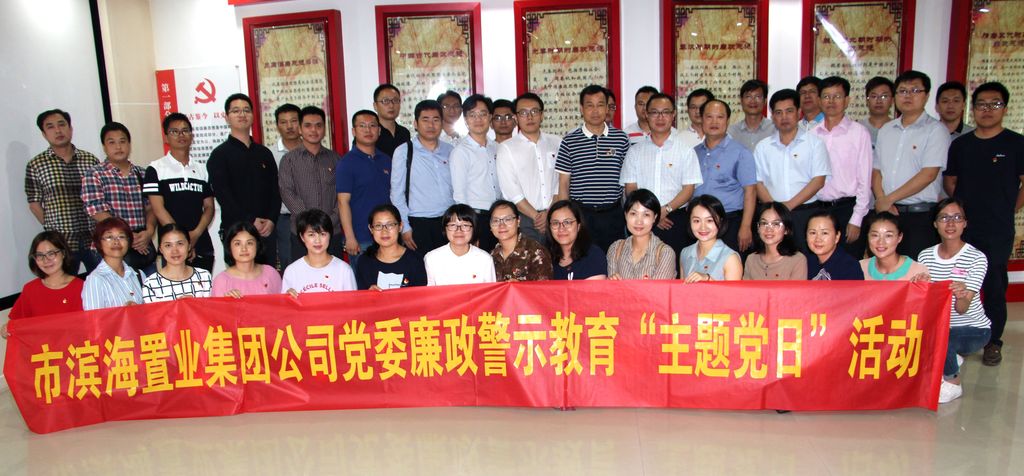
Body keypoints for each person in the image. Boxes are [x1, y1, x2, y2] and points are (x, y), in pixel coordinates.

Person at [944, 81, 1024, 366]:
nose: (987, 110)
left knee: (993, 285)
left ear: (1005, 108)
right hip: (963, 229)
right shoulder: (961, 145)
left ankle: (993, 341)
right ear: (973, 108)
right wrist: (960, 216)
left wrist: (1008, 209)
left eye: (995, 104)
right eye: (981, 104)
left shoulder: (1016, 143)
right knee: (957, 281)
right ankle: (961, 335)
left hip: (997, 228)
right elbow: (950, 181)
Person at [914, 197, 991, 403]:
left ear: (965, 223)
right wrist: (919, 285)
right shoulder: (925, 256)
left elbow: (962, 309)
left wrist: (961, 293)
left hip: (973, 329)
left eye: (957, 218)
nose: (950, 223)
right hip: (940, 326)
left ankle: (953, 382)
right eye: (944, 218)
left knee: (943, 337)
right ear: (935, 224)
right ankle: (949, 357)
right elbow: (925, 302)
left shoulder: (977, 258)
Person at [873, 70, 948, 259]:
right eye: (902, 91)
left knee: (917, 270)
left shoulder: (936, 130)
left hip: (920, 216)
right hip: (888, 214)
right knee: (887, 268)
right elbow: (877, 171)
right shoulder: (886, 130)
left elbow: (928, 174)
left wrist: (888, 199)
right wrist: (881, 199)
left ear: (927, 96)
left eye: (915, 90)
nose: (908, 96)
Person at [622, 93, 702, 254]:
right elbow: (630, 188)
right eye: (654, 112)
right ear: (646, 114)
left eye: (665, 112)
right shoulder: (635, 151)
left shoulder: (685, 151)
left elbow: (688, 189)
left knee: (675, 265)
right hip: (641, 220)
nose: (660, 117)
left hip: (675, 220)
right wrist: (650, 214)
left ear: (673, 115)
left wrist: (665, 210)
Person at [207, 93, 281, 265]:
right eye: (236, 111)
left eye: (246, 110)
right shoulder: (219, 155)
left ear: (253, 116)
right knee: (240, 279)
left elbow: (275, 191)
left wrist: (271, 220)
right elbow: (224, 195)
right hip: (236, 232)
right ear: (227, 117)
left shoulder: (264, 153)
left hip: (266, 231)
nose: (242, 114)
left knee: (267, 276)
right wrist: (250, 220)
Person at [556, 85, 631, 252]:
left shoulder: (621, 139)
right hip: (582, 214)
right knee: (582, 258)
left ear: (607, 108)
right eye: (590, 105)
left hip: (613, 213)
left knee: (614, 258)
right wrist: (565, 217)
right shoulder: (569, 141)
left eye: (600, 105)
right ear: (581, 109)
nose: (595, 111)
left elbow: (628, 181)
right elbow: (564, 183)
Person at [754, 89, 831, 251]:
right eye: (778, 113)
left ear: (799, 112)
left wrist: (788, 206)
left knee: (807, 258)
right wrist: (774, 210)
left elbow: (818, 181)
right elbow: (758, 182)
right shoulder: (763, 147)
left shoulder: (815, 143)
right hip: (772, 216)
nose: (784, 117)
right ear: (772, 116)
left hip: (806, 213)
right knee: (775, 258)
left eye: (789, 111)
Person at [25, 109, 100, 273]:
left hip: (94, 238)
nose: (58, 130)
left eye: (61, 125)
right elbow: (34, 205)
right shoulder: (36, 165)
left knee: (104, 283)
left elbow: (101, 197)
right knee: (64, 284)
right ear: (44, 134)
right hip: (61, 243)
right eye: (50, 127)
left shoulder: (90, 160)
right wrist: (52, 229)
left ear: (70, 129)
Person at [144, 113, 216, 272]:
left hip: (201, 243)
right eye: (174, 131)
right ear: (166, 137)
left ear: (192, 135)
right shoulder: (155, 168)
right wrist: (181, 241)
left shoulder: (202, 169)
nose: (181, 135)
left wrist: (195, 235)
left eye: (185, 131)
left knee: (204, 287)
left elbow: (209, 207)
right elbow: (158, 209)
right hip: (173, 249)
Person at [82, 122, 157, 275]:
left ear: (129, 144)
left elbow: (151, 207)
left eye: (122, 141)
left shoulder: (142, 173)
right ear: (104, 147)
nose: (118, 147)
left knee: (150, 289)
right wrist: (126, 235)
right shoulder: (95, 174)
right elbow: (97, 210)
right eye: (112, 142)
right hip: (110, 248)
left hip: (142, 244)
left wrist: (149, 232)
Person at [811, 76, 873, 255]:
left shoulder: (859, 133)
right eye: (826, 96)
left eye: (837, 96)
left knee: (848, 264)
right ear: (819, 100)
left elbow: (865, 179)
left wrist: (857, 218)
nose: (831, 101)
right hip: (818, 209)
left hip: (847, 209)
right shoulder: (812, 134)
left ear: (847, 100)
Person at [390, 100, 455, 256]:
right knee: (421, 268)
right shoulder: (404, 151)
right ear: (415, 123)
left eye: (436, 120)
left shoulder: (450, 150)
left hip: (448, 221)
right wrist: (405, 227)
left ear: (442, 123)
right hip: (418, 224)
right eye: (425, 120)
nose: (431, 125)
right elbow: (397, 193)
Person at [279, 105, 343, 263]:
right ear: (300, 129)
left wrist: (328, 222)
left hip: (331, 231)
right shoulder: (289, 160)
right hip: (302, 233)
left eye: (318, 125)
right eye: (308, 125)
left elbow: (342, 195)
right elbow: (287, 192)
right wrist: (309, 223)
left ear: (324, 129)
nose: (314, 130)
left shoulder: (335, 159)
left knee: (333, 275)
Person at [496, 92, 562, 243]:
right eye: (523, 113)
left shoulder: (557, 142)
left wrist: (549, 214)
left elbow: (560, 182)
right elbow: (511, 190)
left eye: (534, 111)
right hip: (524, 218)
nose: (530, 117)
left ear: (542, 115)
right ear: (516, 117)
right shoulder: (506, 148)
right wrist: (537, 217)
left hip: (555, 216)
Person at [693, 100, 757, 254]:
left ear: (728, 121)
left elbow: (750, 191)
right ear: (702, 119)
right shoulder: (694, 153)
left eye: (720, 117)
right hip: (698, 223)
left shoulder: (741, 152)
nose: (714, 122)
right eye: (709, 117)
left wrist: (745, 226)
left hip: (729, 222)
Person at [337, 109, 392, 271]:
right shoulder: (347, 163)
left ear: (379, 130)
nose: (368, 130)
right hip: (361, 238)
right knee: (363, 283)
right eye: (362, 126)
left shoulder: (386, 159)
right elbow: (342, 202)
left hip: (387, 235)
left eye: (372, 125)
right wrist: (350, 237)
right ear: (354, 131)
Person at [5, 232, 85, 333]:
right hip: (39, 344)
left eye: (51, 254)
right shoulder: (30, 289)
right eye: (39, 255)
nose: (46, 260)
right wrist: (6, 329)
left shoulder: (81, 287)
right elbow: (16, 323)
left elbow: (89, 326)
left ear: (63, 253)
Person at [450, 94, 501, 251]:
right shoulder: (461, 152)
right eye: (472, 115)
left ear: (490, 117)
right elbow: (459, 194)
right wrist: (468, 227)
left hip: (498, 217)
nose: (478, 119)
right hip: (476, 218)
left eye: (483, 114)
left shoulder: (497, 148)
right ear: (465, 120)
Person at [281, 209, 357, 295]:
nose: (317, 240)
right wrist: (287, 298)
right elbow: (285, 303)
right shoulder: (292, 271)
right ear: (302, 237)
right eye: (311, 235)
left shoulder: (344, 270)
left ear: (330, 235)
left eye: (322, 234)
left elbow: (352, 302)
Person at [606, 189, 677, 280]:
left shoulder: (665, 253)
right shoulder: (615, 249)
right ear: (626, 215)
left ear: (654, 217)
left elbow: (658, 289)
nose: (639, 221)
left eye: (646, 215)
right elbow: (611, 288)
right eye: (633, 214)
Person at [355, 204, 427, 290]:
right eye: (378, 225)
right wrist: (368, 294)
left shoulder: (415, 260)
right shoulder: (364, 262)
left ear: (400, 226)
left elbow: (421, 296)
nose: (384, 231)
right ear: (371, 229)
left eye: (390, 225)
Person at [424, 204, 496, 285]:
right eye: (452, 225)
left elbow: (491, 291)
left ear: (474, 229)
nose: (459, 230)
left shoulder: (485, 259)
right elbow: (429, 291)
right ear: (445, 229)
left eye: (465, 225)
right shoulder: (431, 258)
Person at [81, 217, 144, 310]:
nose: (116, 242)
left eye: (121, 236)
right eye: (109, 237)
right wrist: (123, 313)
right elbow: (94, 318)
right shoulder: (95, 280)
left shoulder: (139, 275)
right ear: (99, 243)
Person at [142, 223, 213, 302]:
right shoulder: (151, 284)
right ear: (161, 249)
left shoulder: (204, 276)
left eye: (180, 244)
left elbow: (211, 308)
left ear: (189, 246)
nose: (175, 251)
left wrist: (195, 304)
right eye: (168, 245)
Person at [679, 195, 742, 282]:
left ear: (720, 221)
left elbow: (734, 291)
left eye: (709, 220)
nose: (703, 227)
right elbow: (682, 289)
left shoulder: (730, 258)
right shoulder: (685, 253)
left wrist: (708, 279)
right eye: (696, 221)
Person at [211, 221, 282, 298]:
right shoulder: (221, 281)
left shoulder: (271, 274)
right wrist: (227, 302)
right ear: (229, 247)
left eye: (249, 243)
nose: (244, 249)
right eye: (238, 244)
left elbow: (281, 303)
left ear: (257, 245)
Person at [489, 200, 552, 281]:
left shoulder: (535, 252)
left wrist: (520, 286)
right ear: (490, 226)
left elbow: (546, 287)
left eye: (508, 219)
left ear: (518, 221)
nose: (502, 225)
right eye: (496, 220)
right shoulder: (490, 257)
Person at [271, 103, 302, 270]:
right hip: (284, 218)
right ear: (277, 126)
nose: (289, 126)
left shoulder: (311, 150)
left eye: (294, 121)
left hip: (310, 215)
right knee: (289, 263)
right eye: (284, 122)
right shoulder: (270, 154)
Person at [743, 202, 807, 280]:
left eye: (776, 224)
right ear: (758, 228)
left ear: (786, 230)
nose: (769, 229)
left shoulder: (797, 260)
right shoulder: (751, 259)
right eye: (764, 223)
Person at [546, 199, 607, 280]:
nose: (561, 228)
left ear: (578, 226)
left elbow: (594, 287)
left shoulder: (594, 255)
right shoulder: (544, 258)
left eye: (567, 222)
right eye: (555, 223)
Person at [859, 212, 928, 281]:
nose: (881, 242)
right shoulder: (859, 268)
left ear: (899, 237)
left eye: (888, 236)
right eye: (875, 235)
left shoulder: (918, 272)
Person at [805, 210, 864, 280]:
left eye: (824, 233)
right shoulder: (805, 262)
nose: (818, 239)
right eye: (813, 233)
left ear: (837, 236)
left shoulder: (849, 266)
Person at [728, 79, 776, 152]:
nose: (753, 101)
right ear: (741, 101)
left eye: (758, 97)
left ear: (765, 101)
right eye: (748, 97)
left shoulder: (775, 129)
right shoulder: (731, 132)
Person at [373, 83, 411, 157]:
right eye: (385, 101)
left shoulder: (404, 133)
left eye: (395, 100)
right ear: (375, 106)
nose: (391, 105)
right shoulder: (370, 133)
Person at [859, 76, 895, 147]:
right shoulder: (858, 129)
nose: (879, 101)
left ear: (892, 100)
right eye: (874, 96)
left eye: (884, 96)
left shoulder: (898, 129)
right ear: (867, 101)